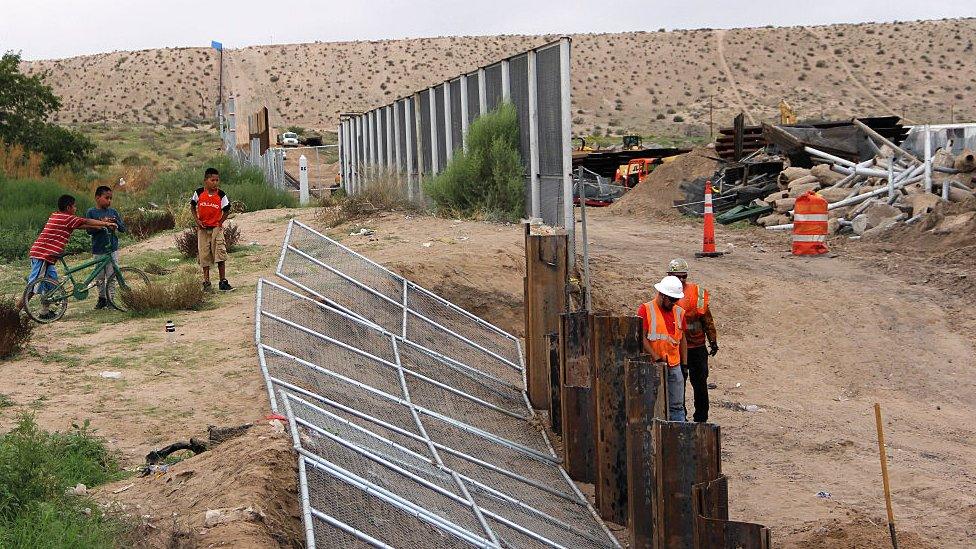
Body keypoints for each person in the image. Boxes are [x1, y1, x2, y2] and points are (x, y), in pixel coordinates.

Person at [21, 194, 117, 319]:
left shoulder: (57, 215)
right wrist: (105, 223)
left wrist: (98, 226)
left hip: (46, 255)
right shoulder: (67, 218)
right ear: (68, 207)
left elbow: (80, 225)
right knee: (33, 285)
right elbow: (84, 221)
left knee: (53, 285)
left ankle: (44, 313)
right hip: (43, 255)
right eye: (74, 207)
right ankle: (14, 312)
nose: (76, 209)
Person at [667, 258, 719, 423]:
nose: (681, 280)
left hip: (697, 347)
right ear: (669, 276)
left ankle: (701, 419)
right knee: (677, 385)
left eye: (683, 276)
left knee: (700, 385)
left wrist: (713, 340)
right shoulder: (666, 294)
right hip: (676, 348)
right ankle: (680, 418)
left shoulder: (697, 292)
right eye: (677, 277)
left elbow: (707, 319)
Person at [637, 275, 687, 421]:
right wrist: (656, 357)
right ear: (662, 295)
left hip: (674, 364)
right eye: (671, 299)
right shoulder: (646, 309)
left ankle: (678, 434)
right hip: (654, 365)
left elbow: (682, 339)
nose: (674, 303)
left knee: (677, 406)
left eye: (676, 300)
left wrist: (684, 364)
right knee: (653, 404)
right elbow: (642, 337)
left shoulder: (679, 312)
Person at [190, 167, 232, 291]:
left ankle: (222, 281)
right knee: (204, 256)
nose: (215, 183)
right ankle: (206, 282)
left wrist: (220, 223)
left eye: (217, 180)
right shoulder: (198, 193)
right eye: (212, 180)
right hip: (203, 230)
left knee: (220, 254)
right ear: (205, 180)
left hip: (216, 229)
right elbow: (192, 206)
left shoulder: (221, 194)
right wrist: (197, 221)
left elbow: (227, 209)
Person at [87, 186, 126, 309]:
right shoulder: (91, 212)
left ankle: (111, 301)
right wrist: (101, 224)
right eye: (106, 198)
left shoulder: (113, 212)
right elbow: (89, 230)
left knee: (111, 276)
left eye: (111, 198)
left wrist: (115, 222)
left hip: (112, 249)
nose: (109, 201)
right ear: (97, 198)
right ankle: (102, 298)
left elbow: (123, 229)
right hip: (98, 249)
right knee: (99, 277)